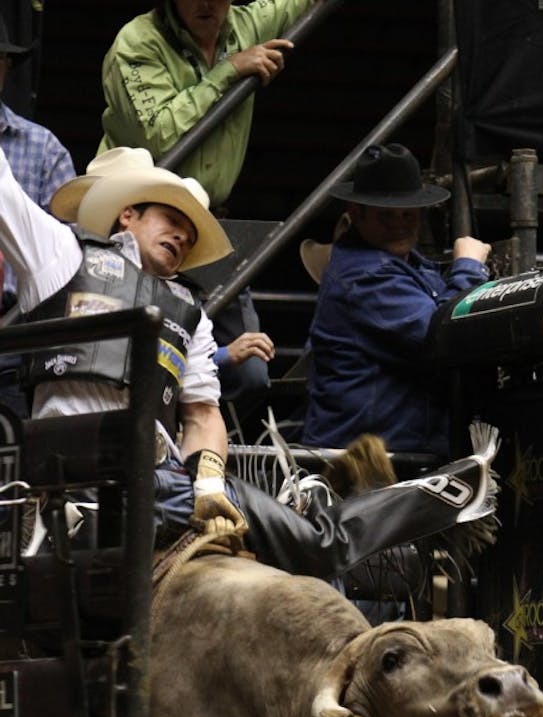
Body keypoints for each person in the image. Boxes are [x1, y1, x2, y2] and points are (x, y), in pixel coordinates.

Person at [0, 144, 499, 579]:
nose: (181, 236)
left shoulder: (187, 313)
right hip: (76, 475)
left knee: (317, 546)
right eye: (171, 219)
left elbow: (203, 414)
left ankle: (430, 499)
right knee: (304, 541)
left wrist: (210, 484)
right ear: (128, 213)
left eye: (190, 234)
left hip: (163, 484)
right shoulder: (61, 257)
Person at [97, 0, 313, 440]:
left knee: (251, 373)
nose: (206, 3)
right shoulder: (137, 42)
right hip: (135, 220)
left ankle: (185, 446)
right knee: (118, 356)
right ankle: (151, 445)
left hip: (204, 222)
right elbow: (159, 133)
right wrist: (231, 71)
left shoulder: (246, 25)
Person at [301, 143, 492, 460]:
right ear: (355, 214)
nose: (399, 223)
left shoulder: (415, 268)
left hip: (398, 456)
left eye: (407, 213)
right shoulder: (365, 274)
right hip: (366, 465)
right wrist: (469, 268)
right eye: (385, 215)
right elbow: (439, 336)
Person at [0, 14, 75, 414]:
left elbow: (70, 254)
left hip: (14, 327)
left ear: (5, 68)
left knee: (8, 456)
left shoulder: (43, 149)